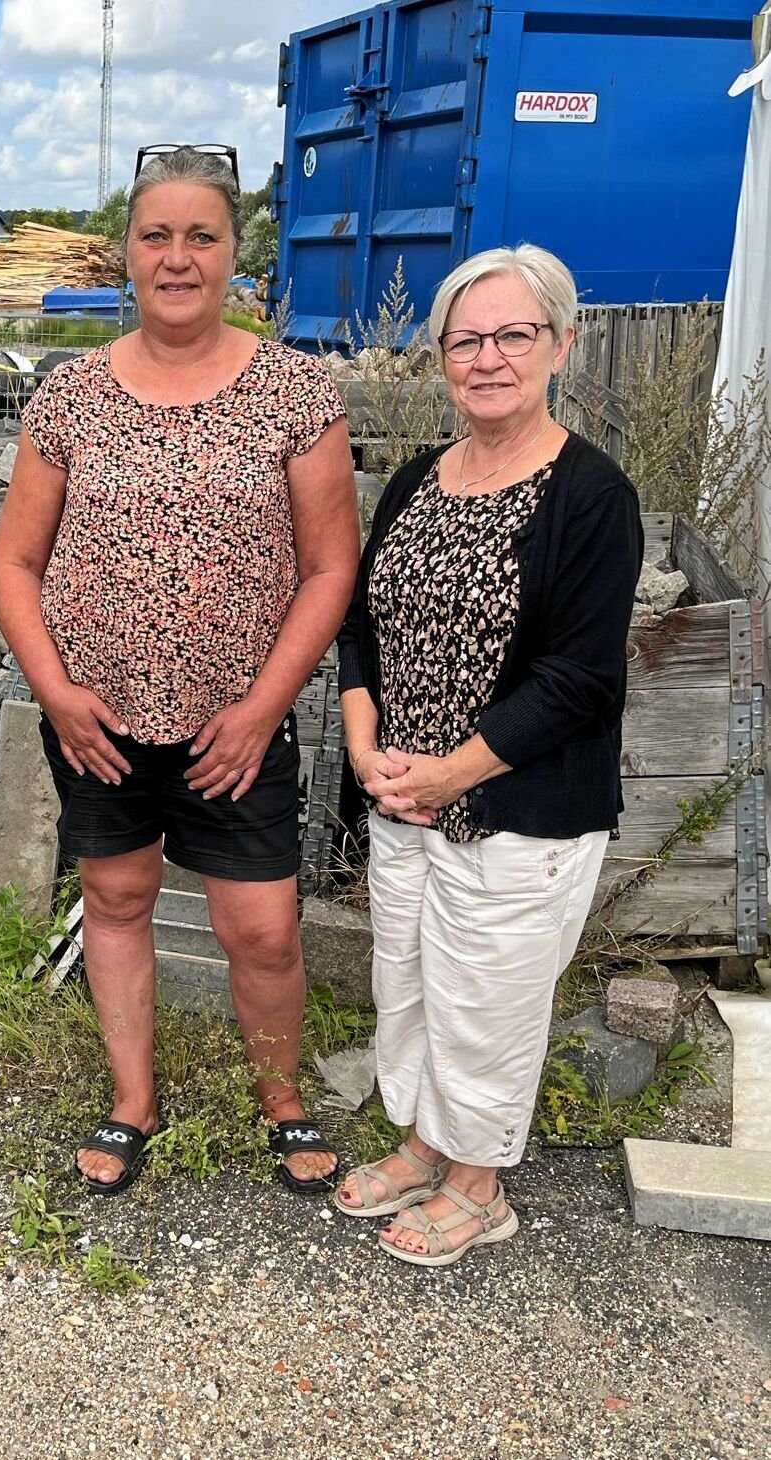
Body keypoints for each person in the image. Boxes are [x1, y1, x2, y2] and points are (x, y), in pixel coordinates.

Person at [0, 146, 360, 1197]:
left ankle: (282, 1101)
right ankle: (131, 1098)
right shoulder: (69, 397)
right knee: (115, 893)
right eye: (158, 235)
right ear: (126, 255)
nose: (178, 256)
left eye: (202, 235)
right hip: (96, 716)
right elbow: (14, 560)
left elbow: (332, 564)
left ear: (234, 253)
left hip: (236, 719)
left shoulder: (294, 390)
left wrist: (262, 706)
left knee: (262, 923)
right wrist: (56, 692)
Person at [333, 244, 641, 1267]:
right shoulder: (420, 477)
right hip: (401, 794)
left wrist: (452, 770)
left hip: (515, 808)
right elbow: (363, 623)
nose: (488, 357)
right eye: (465, 340)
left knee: (485, 1003)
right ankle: (426, 1142)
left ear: (559, 344)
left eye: (513, 335)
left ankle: (480, 1182)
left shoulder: (592, 497)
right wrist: (362, 733)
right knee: (412, 981)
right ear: (441, 358)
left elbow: (580, 677)